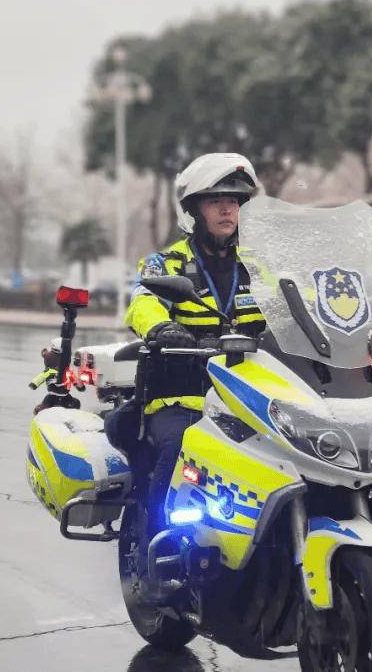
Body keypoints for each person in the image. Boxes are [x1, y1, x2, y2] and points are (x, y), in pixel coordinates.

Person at [124, 152, 267, 534]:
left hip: (255, 393)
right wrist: (161, 328)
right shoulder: (166, 262)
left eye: (234, 201)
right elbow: (144, 300)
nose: (226, 209)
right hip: (184, 392)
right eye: (215, 201)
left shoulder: (259, 263)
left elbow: (295, 303)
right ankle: (157, 541)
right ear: (194, 210)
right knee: (178, 447)